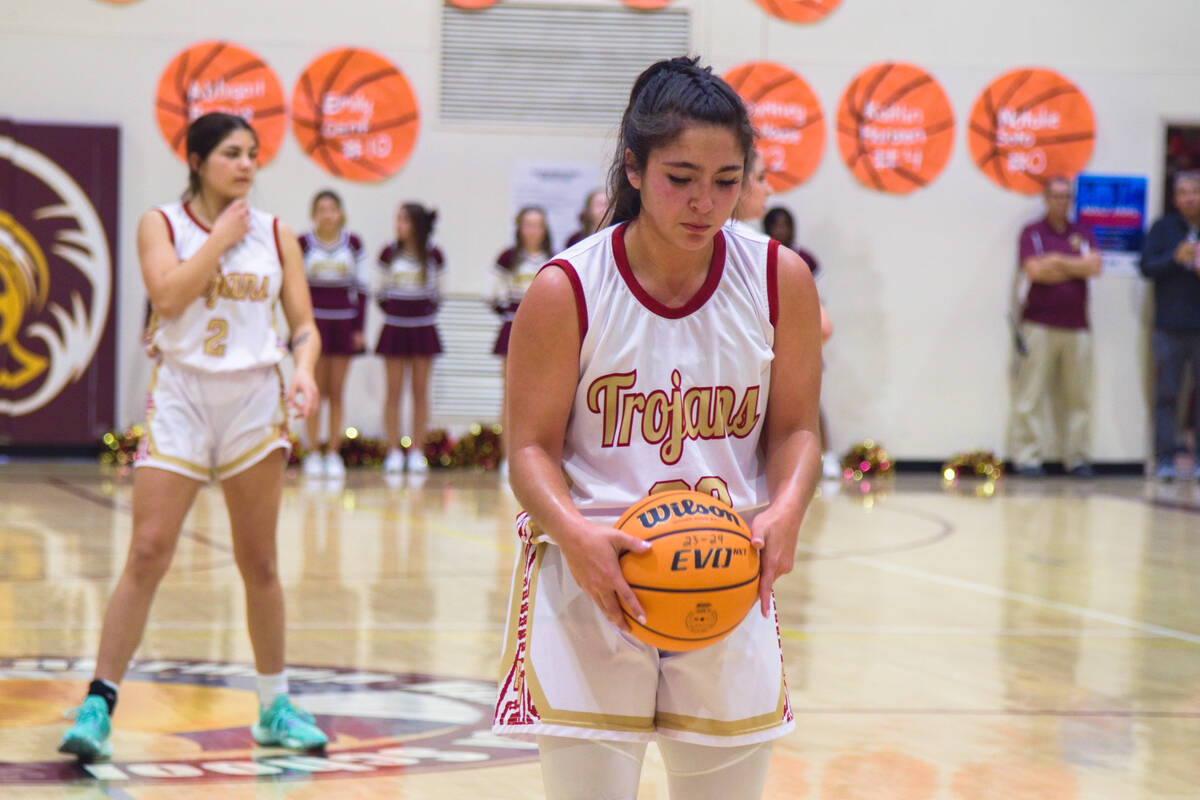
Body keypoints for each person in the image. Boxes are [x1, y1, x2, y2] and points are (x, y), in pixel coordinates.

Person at [492, 57, 823, 799]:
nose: (705, 202)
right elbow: (528, 450)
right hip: (592, 579)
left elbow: (797, 428)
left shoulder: (780, 279)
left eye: (727, 180)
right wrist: (574, 536)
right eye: (681, 177)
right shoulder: (566, 288)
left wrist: (787, 508)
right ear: (634, 170)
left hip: (728, 576)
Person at [58, 112, 327, 761]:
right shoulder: (163, 222)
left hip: (253, 401)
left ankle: (274, 704)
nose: (247, 165)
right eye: (233, 153)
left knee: (259, 560)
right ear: (199, 160)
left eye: (253, 154)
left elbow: (304, 324)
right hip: (182, 394)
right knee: (148, 550)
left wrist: (307, 373)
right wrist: (218, 240)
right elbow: (168, 296)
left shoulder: (276, 233)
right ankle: (99, 701)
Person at [1010, 176, 1102, 477]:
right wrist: (1075, 266)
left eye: (1066, 197)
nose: (1061, 202)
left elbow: (1094, 267)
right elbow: (1035, 272)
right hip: (1038, 324)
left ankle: (1077, 458)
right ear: (1046, 199)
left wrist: (1057, 260)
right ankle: (1028, 457)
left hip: (1077, 327)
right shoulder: (1032, 233)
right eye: (1055, 196)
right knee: (1030, 395)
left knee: (1078, 397)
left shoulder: (1083, 232)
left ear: (1071, 200)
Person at [298, 189, 368, 479]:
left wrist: (359, 328)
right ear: (314, 214)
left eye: (332, 209)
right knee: (314, 391)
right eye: (321, 209)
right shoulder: (303, 243)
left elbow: (362, 289)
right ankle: (313, 451)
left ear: (340, 213)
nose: (327, 214)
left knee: (336, 392)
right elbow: (295, 288)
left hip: (343, 323)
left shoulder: (353, 244)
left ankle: (333, 453)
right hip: (313, 324)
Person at [1140, 170, 1200, 479]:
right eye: (1183, 192)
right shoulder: (1163, 229)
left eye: (1195, 191)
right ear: (1175, 198)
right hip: (1170, 326)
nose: (1189, 197)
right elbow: (1146, 267)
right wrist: (1174, 258)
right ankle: (1165, 458)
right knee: (1167, 394)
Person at [376, 202, 444, 474]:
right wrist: (398, 312)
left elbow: (440, 293)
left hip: (423, 328)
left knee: (420, 391)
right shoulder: (388, 254)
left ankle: (417, 451)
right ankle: (393, 450)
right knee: (393, 391)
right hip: (395, 328)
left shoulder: (434, 255)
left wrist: (418, 313)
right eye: (397, 219)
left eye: (403, 219)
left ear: (416, 224)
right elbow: (379, 292)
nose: (398, 225)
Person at [490, 206, 552, 475]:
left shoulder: (553, 257)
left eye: (537, 225)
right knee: (510, 394)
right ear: (519, 228)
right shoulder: (508, 258)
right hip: (512, 329)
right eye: (527, 224)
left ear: (544, 229)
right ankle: (508, 457)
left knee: (544, 396)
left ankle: (541, 459)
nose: (532, 230)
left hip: (547, 333)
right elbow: (493, 296)